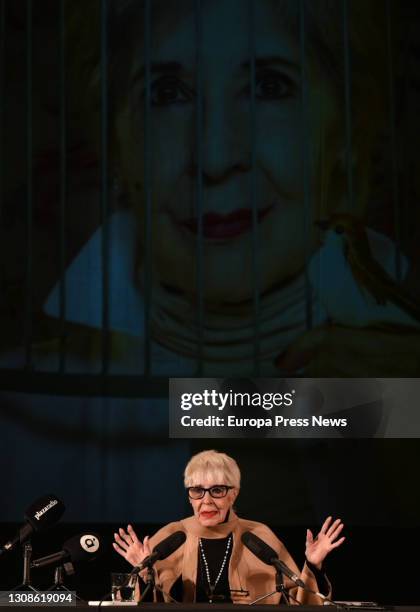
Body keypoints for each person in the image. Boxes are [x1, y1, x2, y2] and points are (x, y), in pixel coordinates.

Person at [113, 450, 345, 605]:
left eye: (217, 490)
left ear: (233, 495)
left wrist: (313, 566)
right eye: (197, 491)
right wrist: (142, 572)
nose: (206, 500)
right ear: (190, 497)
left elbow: (302, 604)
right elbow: (140, 606)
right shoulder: (172, 536)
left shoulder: (258, 535)